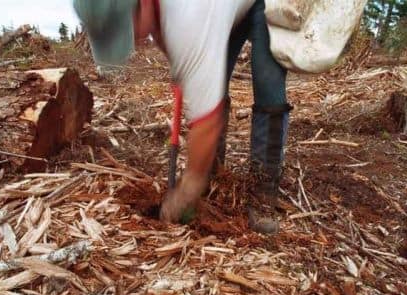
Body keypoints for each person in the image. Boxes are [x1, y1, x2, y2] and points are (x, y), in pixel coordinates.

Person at [74, 0, 291, 234]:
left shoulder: (188, 20)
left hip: (264, 3)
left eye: (129, 29)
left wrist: (189, 186)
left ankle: (263, 192)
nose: (135, 41)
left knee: (267, 81)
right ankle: (213, 177)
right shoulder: (171, 16)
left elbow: (208, 119)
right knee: (213, 83)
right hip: (220, 8)